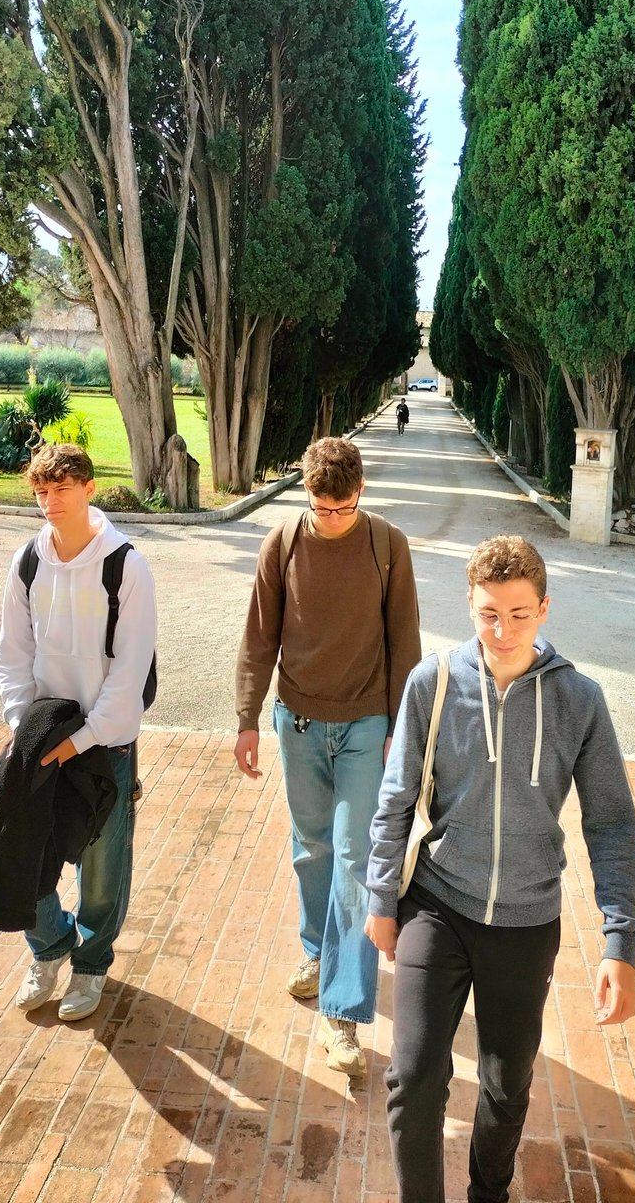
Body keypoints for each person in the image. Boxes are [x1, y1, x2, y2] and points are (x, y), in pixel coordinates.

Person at [365, 535, 635, 1202]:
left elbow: (611, 821)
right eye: (489, 613)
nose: (503, 630)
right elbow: (396, 796)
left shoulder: (580, 699)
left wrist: (619, 939)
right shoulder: (433, 682)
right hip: (437, 904)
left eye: (519, 614)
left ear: (544, 608)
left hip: (526, 920)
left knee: (505, 1084)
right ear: (469, 604)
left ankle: (488, 1193)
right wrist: (380, 896)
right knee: (413, 1076)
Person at [234, 436, 422, 1076]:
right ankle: (318, 950)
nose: (333, 519)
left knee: (355, 857)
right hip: (299, 722)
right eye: (322, 508)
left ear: (360, 492)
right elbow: (259, 636)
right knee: (311, 845)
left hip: (367, 725)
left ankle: (342, 1016)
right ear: (306, 495)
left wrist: (400, 728)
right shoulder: (283, 543)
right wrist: (247, 719)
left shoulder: (388, 545)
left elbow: (404, 642)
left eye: (344, 508)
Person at [0, 443, 157, 1022]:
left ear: (89, 489)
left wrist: (83, 739)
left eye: (62, 489)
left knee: (102, 866)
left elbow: (131, 669)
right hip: (40, 735)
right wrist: (23, 725)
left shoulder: (125, 566)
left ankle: (90, 966)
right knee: (19, 848)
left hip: (104, 742)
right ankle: (49, 946)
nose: (50, 502)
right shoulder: (28, 562)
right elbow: (13, 653)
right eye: (42, 492)